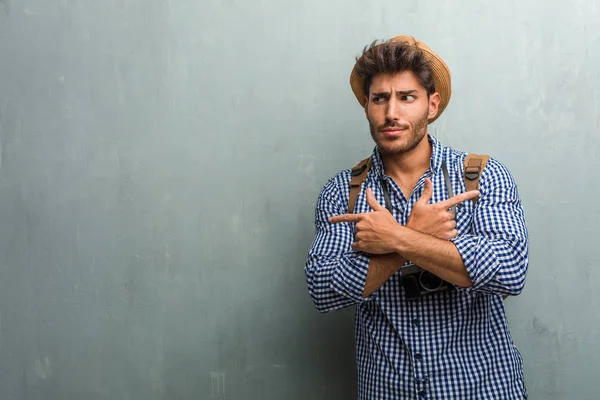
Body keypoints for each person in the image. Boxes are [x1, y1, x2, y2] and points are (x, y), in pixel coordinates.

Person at [304, 35, 529, 399]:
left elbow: (509, 271)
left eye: (406, 97)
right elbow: (323, 289)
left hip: (480, 389)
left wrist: (396, 238)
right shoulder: (344, 191)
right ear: (366, 106)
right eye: (379, 98)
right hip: (388, 390)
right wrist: (415, 237)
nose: (391, 112)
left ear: (432, 104)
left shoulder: (482, 175)